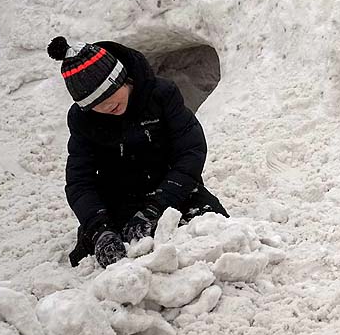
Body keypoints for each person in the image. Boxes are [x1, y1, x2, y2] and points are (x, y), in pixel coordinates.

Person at [47, 36, 228, 268]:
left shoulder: (162, 95)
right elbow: (79, 181)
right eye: (95, 105)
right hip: (118, 200)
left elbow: (191, 152)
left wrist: (157, 206)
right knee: (105, 260)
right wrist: (99, 228)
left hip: (173, 191)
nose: (106, 108)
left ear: (121, 79)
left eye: (107, 96)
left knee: (214, 231)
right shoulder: (83, 120)